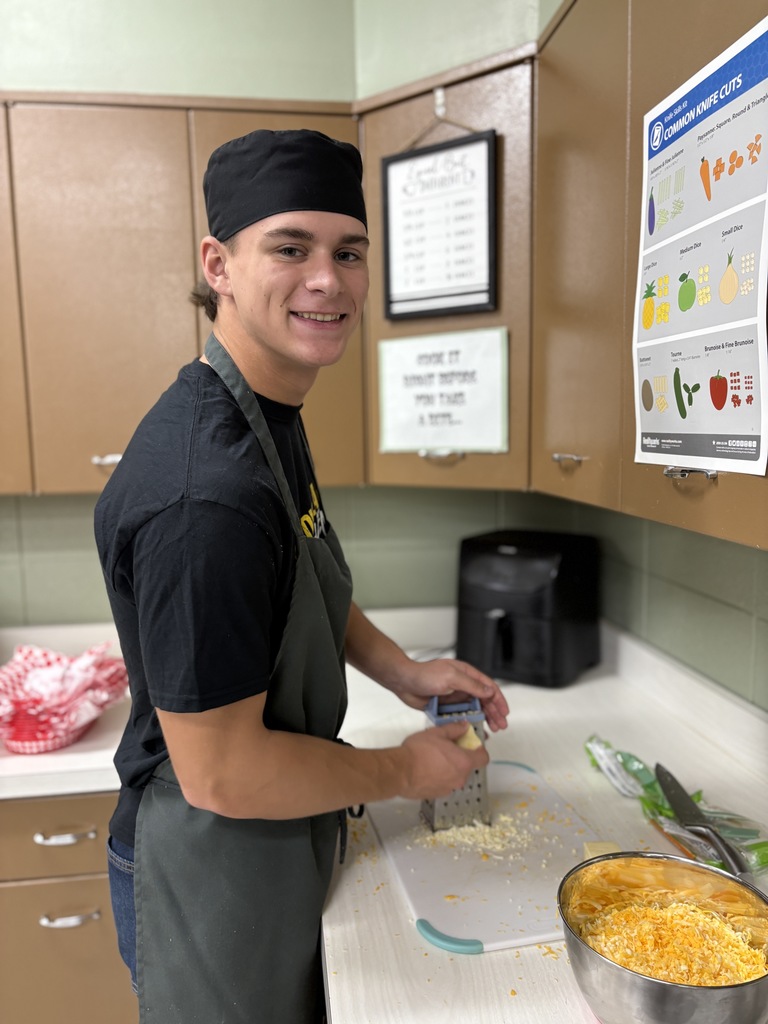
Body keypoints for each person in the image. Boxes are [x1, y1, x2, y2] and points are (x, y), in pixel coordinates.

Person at [94, 128, 509, 1024]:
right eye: (291, 247)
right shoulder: (207, 499)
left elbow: (306, 584)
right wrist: (402, 769)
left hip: (267, 842)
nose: (329, 279)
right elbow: (225, 775)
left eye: (349, 252)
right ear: (221, 263)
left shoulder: (269, 412)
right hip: (209, 865)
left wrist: (404, 671)